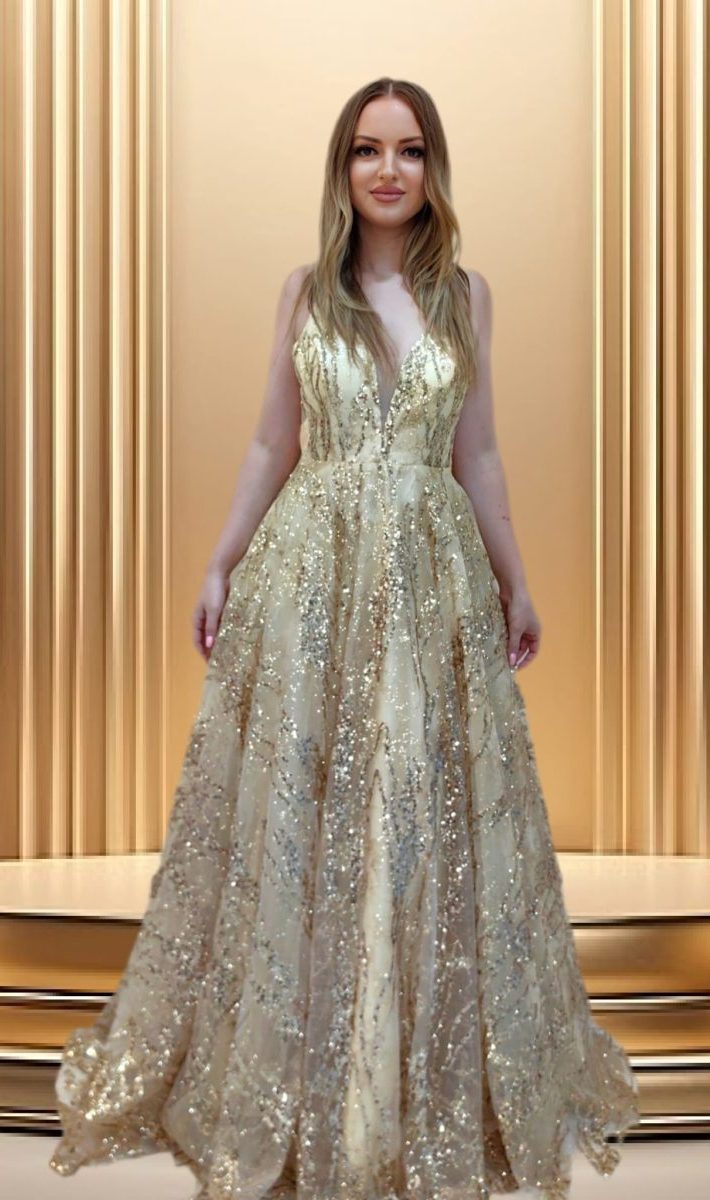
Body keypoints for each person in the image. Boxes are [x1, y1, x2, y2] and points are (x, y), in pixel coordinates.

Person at [49, 77, 639, 1200]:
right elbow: (269, 443)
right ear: (343, 167)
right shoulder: (305, 291)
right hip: (314, 577)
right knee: (310, 812)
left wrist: (516, 581)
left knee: (417, 810)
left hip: (428, 579)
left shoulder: (466, 295)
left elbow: (479, 454)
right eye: (368, 150)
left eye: (408, 151)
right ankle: (311, 1082)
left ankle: (412, 1082)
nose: (387, 170)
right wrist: (221, 559)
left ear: (432, 168)